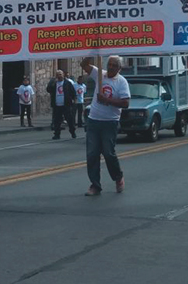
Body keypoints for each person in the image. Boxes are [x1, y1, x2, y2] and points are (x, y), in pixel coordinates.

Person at [80, 56, 130, 196]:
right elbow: (83, 65)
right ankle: (95, 185)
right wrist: (91, 55)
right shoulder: (99, 74)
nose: (111, 67)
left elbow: (126, 103)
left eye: (114, 65)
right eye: (109, 64)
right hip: (94, 120)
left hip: (110, 122)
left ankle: (118, 176)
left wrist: (107, 100)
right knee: (92, 154)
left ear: (119, 68)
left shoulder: (121, 82)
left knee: (108, 153)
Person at [46, 70, 76, 140]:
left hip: (66, 105)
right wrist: (53, 82)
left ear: (63, 75)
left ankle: (72, 132)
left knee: (69, 120)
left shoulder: (67, 83)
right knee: (57, 121)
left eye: (60, 74)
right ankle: (57, 134)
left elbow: (73, 93)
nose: (59, 76)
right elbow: (48, 89)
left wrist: (74, 102)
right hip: (57, 105)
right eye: (57, 75)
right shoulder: (54, 83)